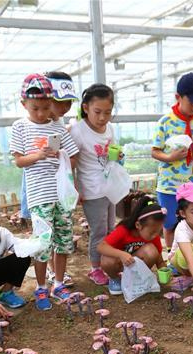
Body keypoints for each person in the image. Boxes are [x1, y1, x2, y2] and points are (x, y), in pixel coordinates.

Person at [10, 73, 79, 311]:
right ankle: (41, 288)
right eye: (35, 108)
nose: (41, 113)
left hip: (60, 195)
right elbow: (19, 161)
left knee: (63, 241)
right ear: (24, 105)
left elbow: (73, 155)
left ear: (52, 102)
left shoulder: (57, 126)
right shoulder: (20, 127)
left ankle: (58, 283)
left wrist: (60, 155)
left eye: (45, 107)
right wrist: (39, 155)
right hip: (40, 197)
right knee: (42, 244)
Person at [152, 72, 193, 249]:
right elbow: (155, 152)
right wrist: (170, 157)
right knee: (170, 223)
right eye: (192, 101)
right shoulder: (165, 122)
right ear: (178, 97)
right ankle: (173, 260)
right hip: (169, 185)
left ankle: (190, 258)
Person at [70, 83, 118, 287]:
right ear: (85, 108)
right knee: (98, 230)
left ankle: (107, 264)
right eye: (97, 112)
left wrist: (118, 154)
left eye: (108, 112)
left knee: (110, 228)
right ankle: (95, 269)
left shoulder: (110, 128)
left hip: (109, 187)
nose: (102, 117)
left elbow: (111, 151)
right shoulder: (77, 131)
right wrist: (75, 188)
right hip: (91, 189)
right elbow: (70, 162)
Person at [44, 70, 79, 287]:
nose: (65, 107)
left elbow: (71, 157)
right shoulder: (32, 125)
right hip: (41, 187)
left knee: (60, 230)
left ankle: (57, 273)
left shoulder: (59, 127)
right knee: (45, 231)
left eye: (68, 101)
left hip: (58, 185)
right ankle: (50, 270)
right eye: (60, 101)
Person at [97, 196, 166, 295]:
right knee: (107, 259)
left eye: (158, 232)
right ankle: (115, 279)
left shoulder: (153, 236)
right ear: (138, 225)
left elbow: (159, 259)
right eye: (152, 232)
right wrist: (121, 254)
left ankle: (137, 279)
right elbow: (101, 247)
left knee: (152, 251)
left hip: (135, 266)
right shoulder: (123, 230)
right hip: (119, 263)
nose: (155, 235)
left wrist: (165, 272)